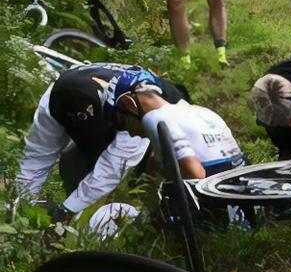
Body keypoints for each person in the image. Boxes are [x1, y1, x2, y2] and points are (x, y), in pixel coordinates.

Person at [16, 64, 182, 222]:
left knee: (160, 171)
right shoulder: (51, 103)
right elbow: (37, 157)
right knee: (71, 164)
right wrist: (25, 205)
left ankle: (149, 217)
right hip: (104, 125)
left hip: (152, 124)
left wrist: (67, 209)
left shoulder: (129, 106)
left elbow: (112, 168)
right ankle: (78, 216)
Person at [107, 70, 245, 180]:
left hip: (215, 196)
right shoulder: (201, 111)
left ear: (128, 103)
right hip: (243, 181)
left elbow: (195, 174)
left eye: (122, 124)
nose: (130, 133)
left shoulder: (154, 118)